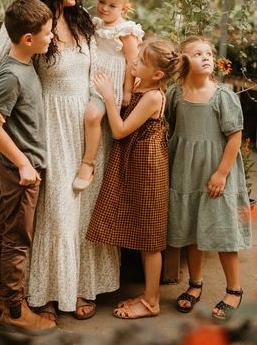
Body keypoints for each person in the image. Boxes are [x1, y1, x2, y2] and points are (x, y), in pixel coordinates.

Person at [0, 0, 120, 323]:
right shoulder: (32, 19)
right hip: (47, 123)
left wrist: (100, 105)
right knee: (56, 210)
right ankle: (49, 291)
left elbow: (98, 68)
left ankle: (82, 284)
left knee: (83, 208)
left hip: (85, 125)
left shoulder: (82, 21)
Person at [86, 40, 180, 319]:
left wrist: (107, 95)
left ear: (158, 75)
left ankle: (152, 302)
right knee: (142, 233)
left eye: (140, 62)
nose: (133, 64)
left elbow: (119, 130)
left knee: (150, 238)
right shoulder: (142, 86)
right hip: (137, 159)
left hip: (148, 165)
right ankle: (148, 294)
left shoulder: (153, 96)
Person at [165, 35, 252, 322]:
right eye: (198, 53)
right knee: (191, 227)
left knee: (223, 231)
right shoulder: (175, 94)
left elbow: (235, 137)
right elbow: (174, 127)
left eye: (209, 53)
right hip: (186, 171)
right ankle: (195, 284)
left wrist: (221, 173)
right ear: (184, 60)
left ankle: (234, 290)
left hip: (216, 173)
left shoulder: (222, 96)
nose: (206, 57)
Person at [0, 0, 56, 335]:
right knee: (18, 239)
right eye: (48, 33)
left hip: (20, 166)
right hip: (20, 169)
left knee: (6, 229)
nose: (52, 38)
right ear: (29, 39)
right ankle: (15, 310)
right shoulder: (11, 76)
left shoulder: (25, 67)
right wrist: (25, 165)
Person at [73, 0, 144, 191]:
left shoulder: (126, 31)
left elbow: (133, 62)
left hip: (110, 84)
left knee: (93, 115)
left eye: (112, 5)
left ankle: (88, 162)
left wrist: (128, 91)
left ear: (125, 7)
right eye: (102, 1)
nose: (104, 8)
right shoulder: (96, 24)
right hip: (92, 77)